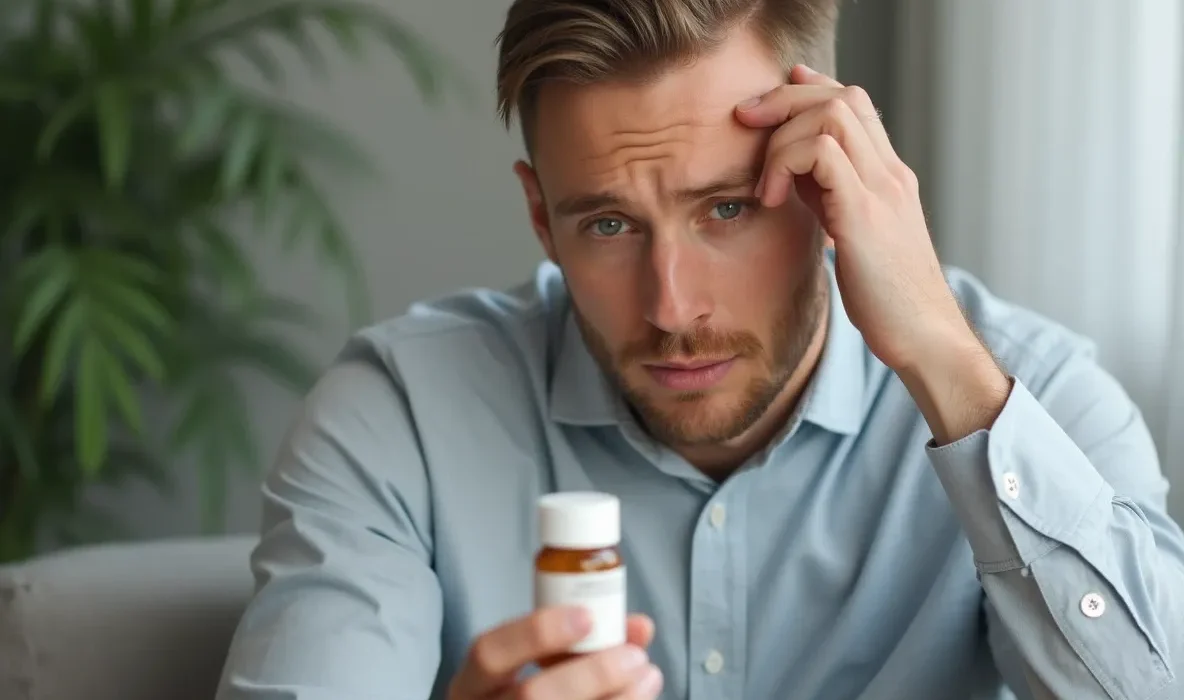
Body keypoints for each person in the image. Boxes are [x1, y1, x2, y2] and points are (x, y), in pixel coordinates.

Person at [215, 0, 1184, 698]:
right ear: (539, 218)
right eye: (606, 225)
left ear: (831, 175)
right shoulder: (399, 420)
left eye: (725, 208)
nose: (671, 306)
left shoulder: (1036, 401)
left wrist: (941, 357)